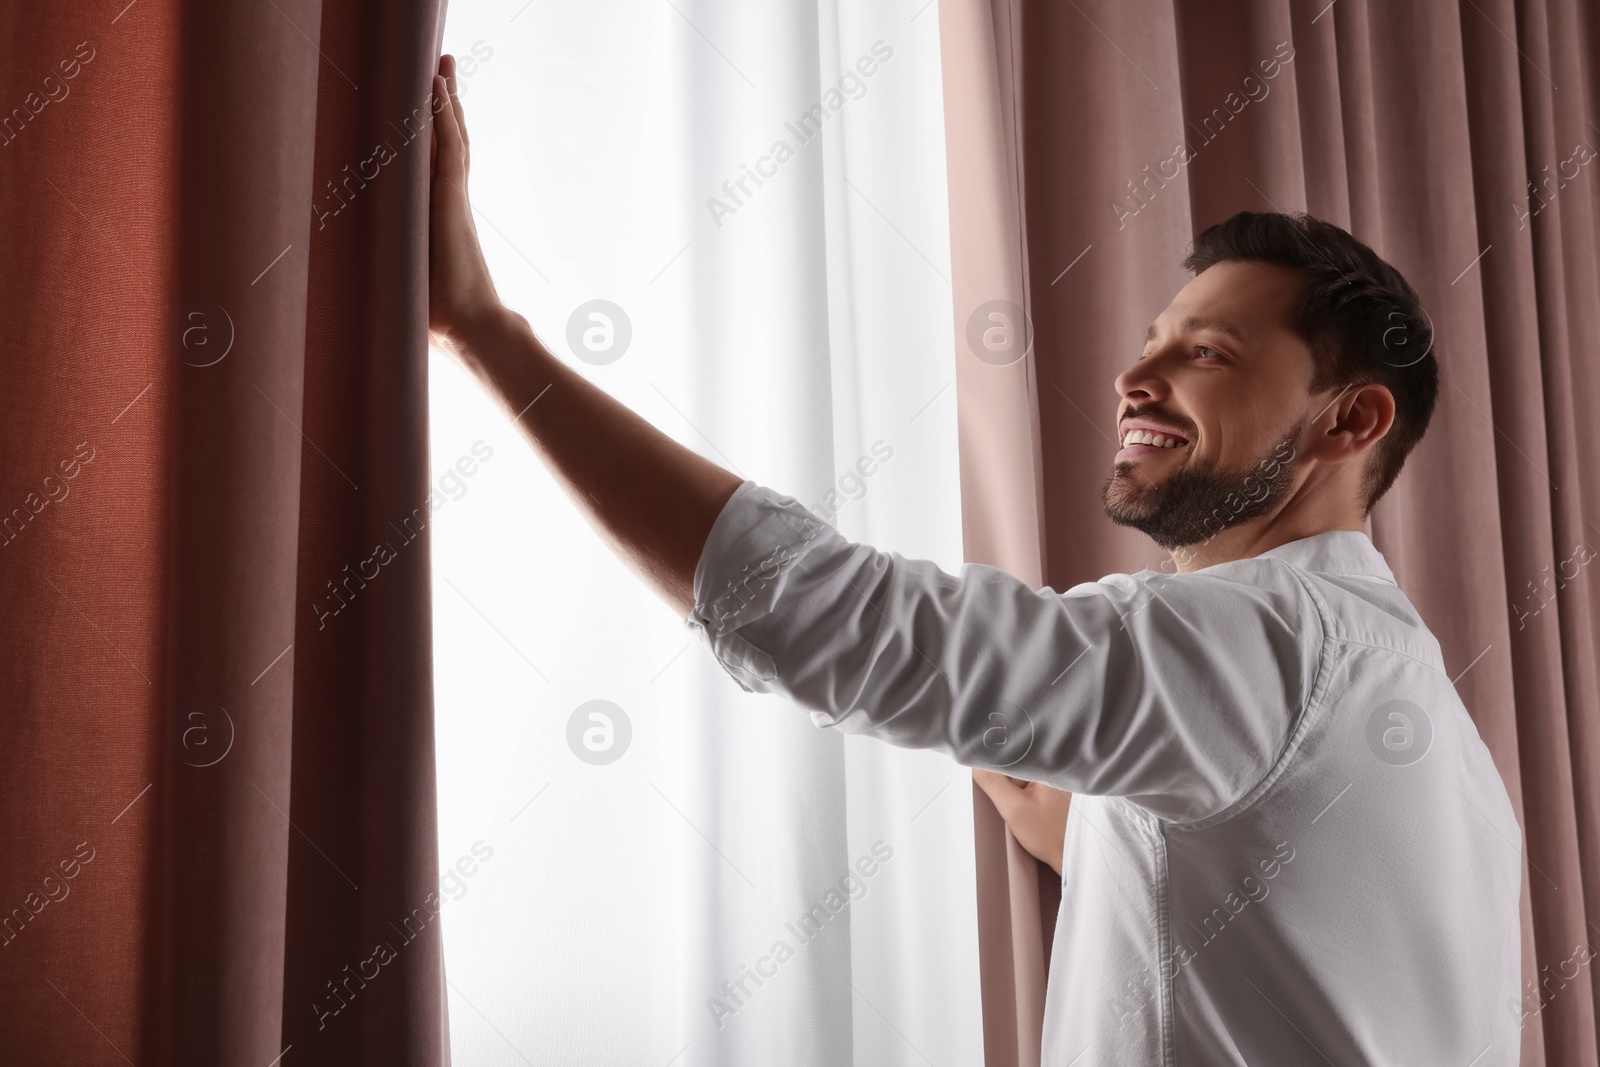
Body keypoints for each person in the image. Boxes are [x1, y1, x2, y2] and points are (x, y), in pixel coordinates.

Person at [426, 54, 1522, 1065]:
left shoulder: (1270, 645)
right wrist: (1055, 794)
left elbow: (832, 621)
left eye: (1205, 353)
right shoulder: (1426, 733)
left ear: (1350, 421)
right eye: (1148, 341)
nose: (1133, 377)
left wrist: (485, 332)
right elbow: (1230, 878)